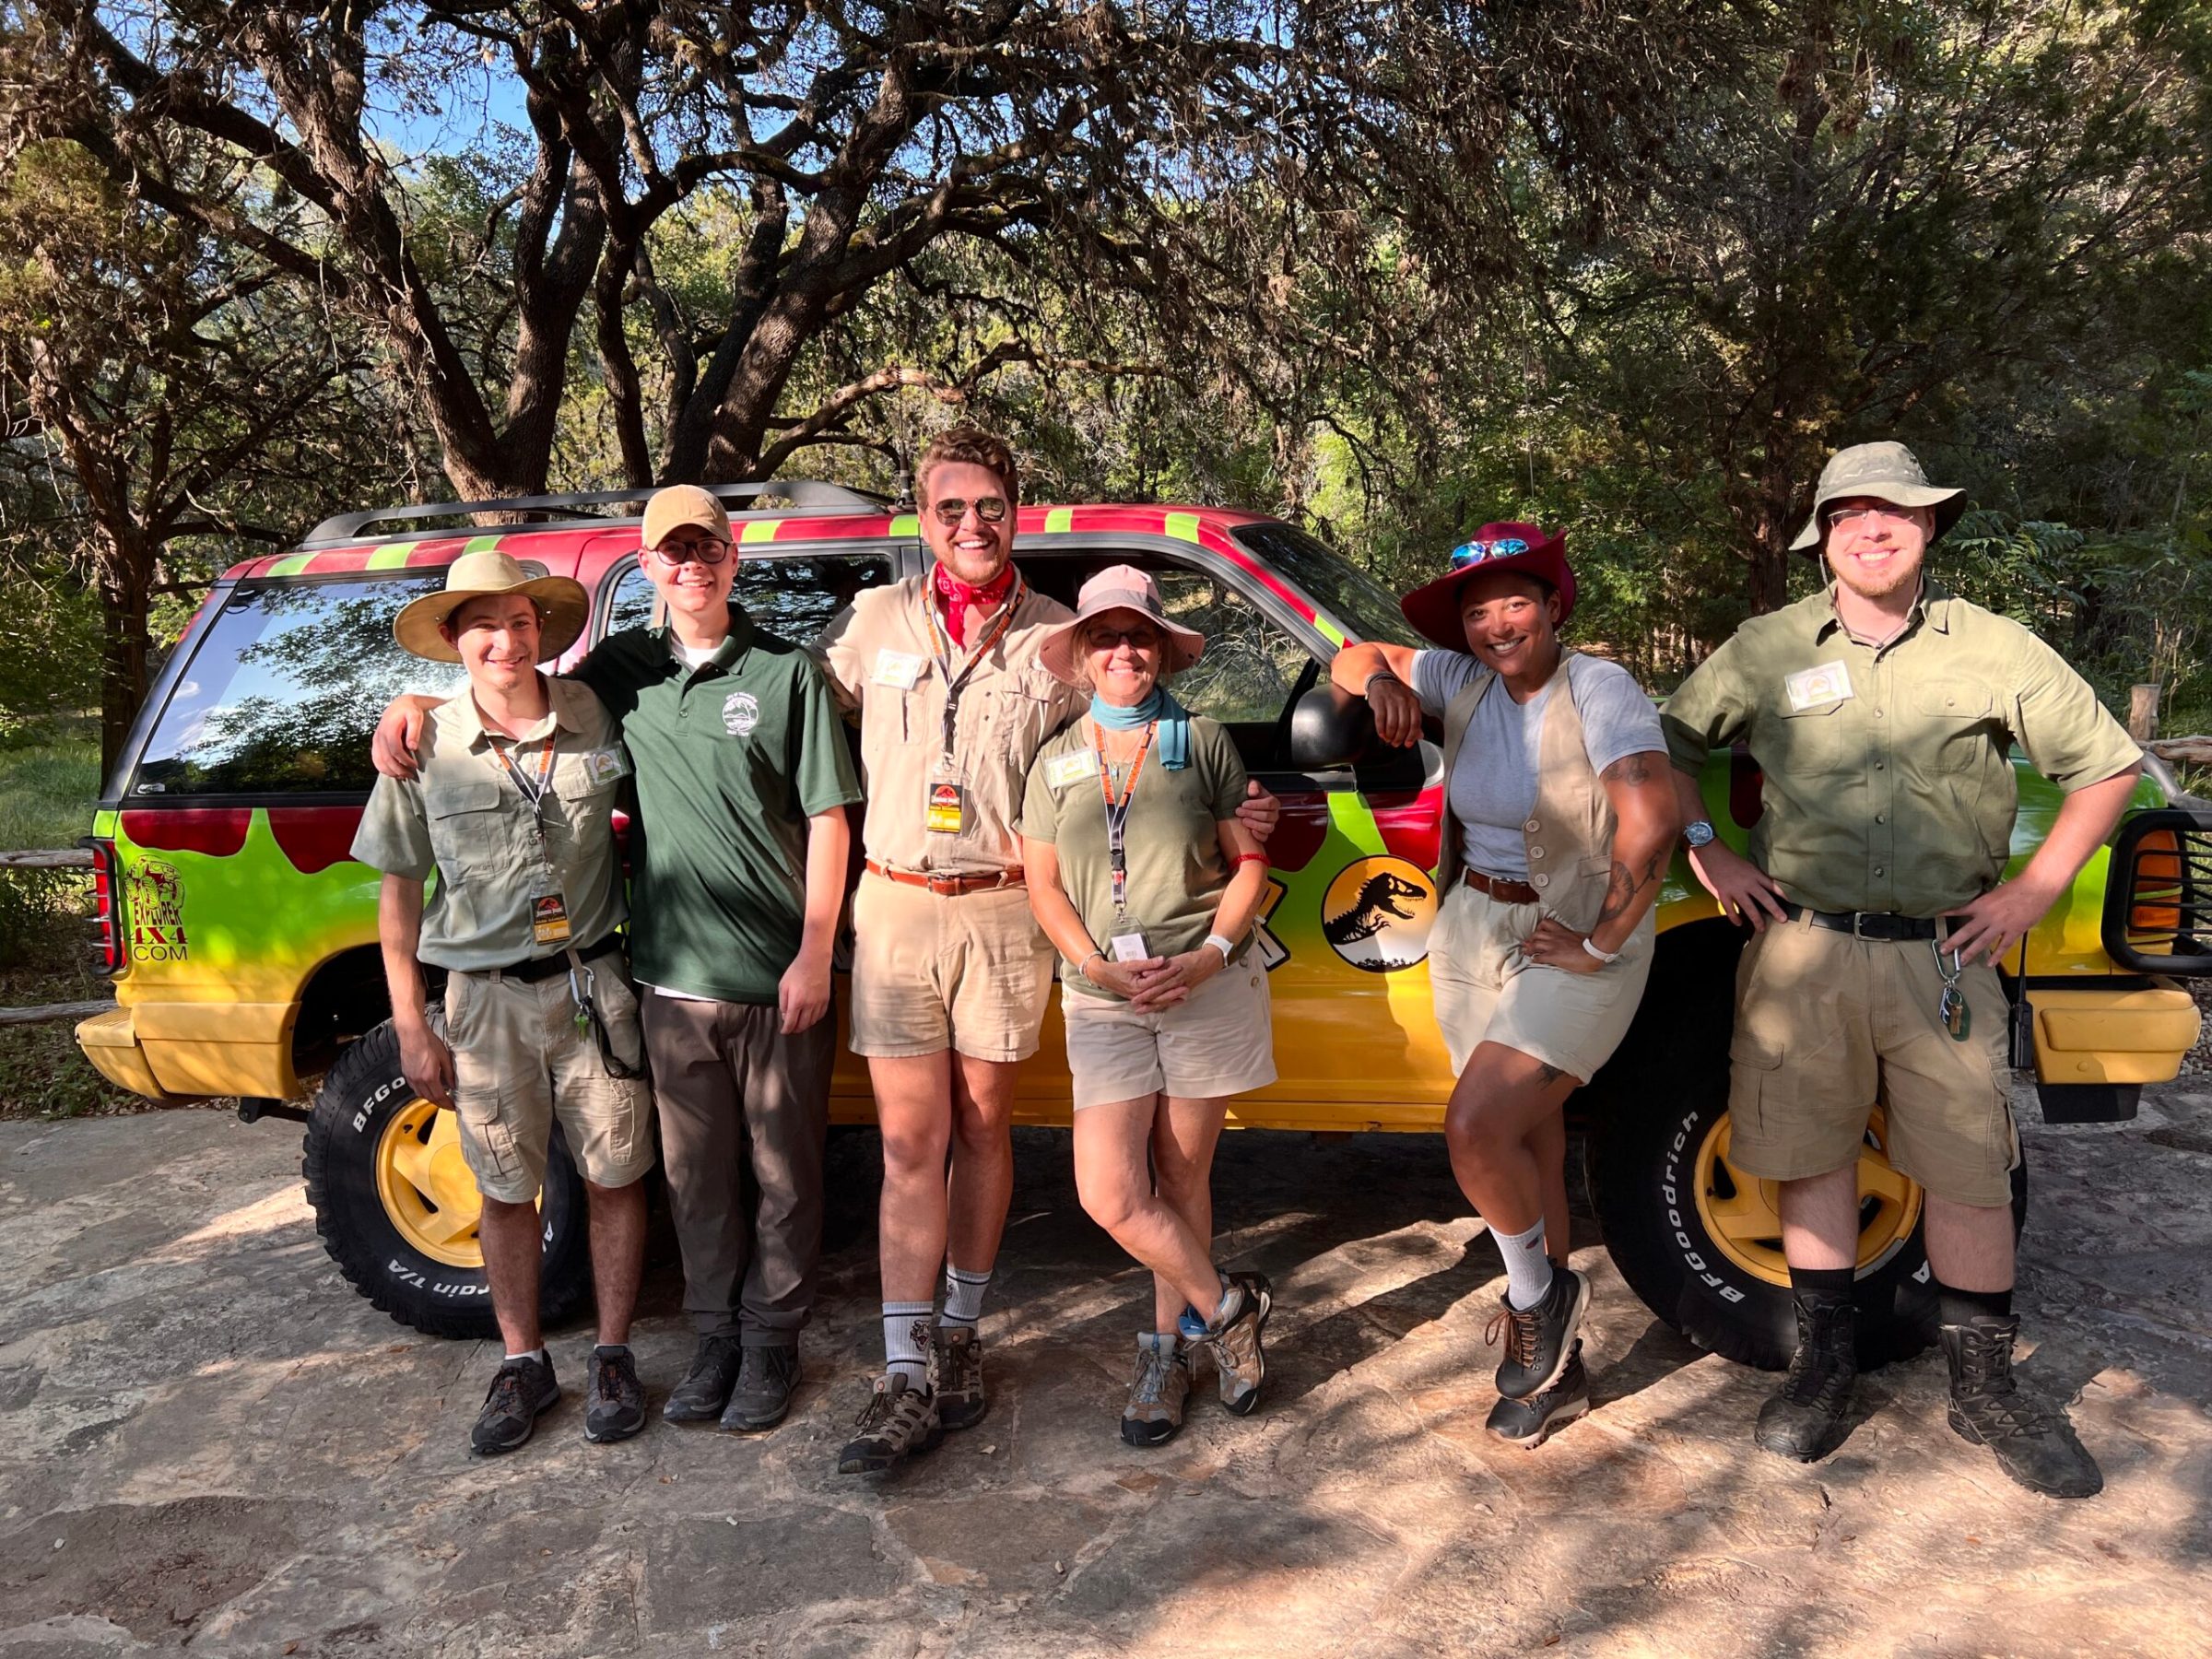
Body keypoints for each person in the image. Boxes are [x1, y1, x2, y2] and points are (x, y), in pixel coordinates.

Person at [1661, 441, 2142, 1499]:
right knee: (1809, 1152)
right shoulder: (1768, 645)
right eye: (1850, 515)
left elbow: (2106, 767)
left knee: (1970, 1167)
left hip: (1945, 955)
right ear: (1823, 540)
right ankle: (1823, 1368)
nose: (1873, 529)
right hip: (1804, 953)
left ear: (1930, 528)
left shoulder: (1995, 648)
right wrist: (1710, 847)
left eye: (1897, 513)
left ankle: (1986, 1389)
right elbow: (1667, 747)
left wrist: (2033, 891)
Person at [811, 427, 1280, 1474]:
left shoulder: (1056, 641)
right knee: (904, 1147)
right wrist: (424, 709)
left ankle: (964, 1337)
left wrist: (1242, 817)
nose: (970, 525)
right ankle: (904, 1369)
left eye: (990, 505)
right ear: (921, 517)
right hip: (891, 906)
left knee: (984, 1133)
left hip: (1007, 909)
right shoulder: (871, 622)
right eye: (949, 508)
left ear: (1016, 510)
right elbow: (785, 722)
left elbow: (1131, 758)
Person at [370, 487, 861, 1435]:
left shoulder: (759, 675)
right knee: (694, 1181)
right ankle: (712, 1337)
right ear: (646, 567)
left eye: (706, 547)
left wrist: (814, 952)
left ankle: (770, 1340)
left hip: (740, 979)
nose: (691, 565)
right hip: (663, 979)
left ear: (731, 556)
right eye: (671, 552)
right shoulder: (620, 674)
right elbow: (497, 694)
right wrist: (408, 706)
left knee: (780, 1176)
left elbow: (829, 818)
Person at [1328, 524, 1677, 1447]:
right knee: (1528, 1131)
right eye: (1476, 612)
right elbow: (1350, 651)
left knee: (1476, 1127)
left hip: (1572, 932)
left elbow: (1651, 816)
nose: (1495, 624)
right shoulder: (1459, 679)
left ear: (1555, 607)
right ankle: (1558, 1363)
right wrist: (1379, 683)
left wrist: (1603, 941)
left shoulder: (1599, 689)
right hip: (1474, 925)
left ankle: (1538, 1294)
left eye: (1515, 602)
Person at [352, 551, 655, 1455]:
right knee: (502, 1188)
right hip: (481, 1004)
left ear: (542, 632)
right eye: (483, 624)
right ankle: (523, 1361)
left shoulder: (595, 711)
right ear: (455, 639)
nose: (505, 639)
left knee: (615, 1174)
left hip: (592, 986)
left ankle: (611, 1352)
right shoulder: (421, 743)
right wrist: (414, 1027)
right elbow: (400, 893)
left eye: (521, 622)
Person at [1020, 567, 1277, 1446]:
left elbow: (1251, 865)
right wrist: (1093, 964)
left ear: (1161, 648)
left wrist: (1208, 958)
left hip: (1201, 989)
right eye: (1106, 637)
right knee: (1109, 1192)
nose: (1123, 651)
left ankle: (1167, 1354)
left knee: (1181, 1179)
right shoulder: (1054, 758)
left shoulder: (1201, 739)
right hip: (1102, 996)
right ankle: (1230, 1309)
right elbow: (1043, 885)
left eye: (1139, 636)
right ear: (1084, 655)